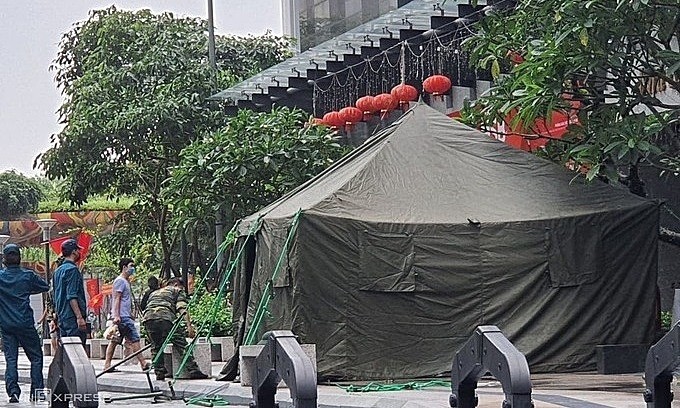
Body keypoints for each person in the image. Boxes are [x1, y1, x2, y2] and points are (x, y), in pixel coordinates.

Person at [0, 244, 50, 403]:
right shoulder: (28, 276)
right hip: (25, 323)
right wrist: (27, 290)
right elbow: (45, 286)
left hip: (6, 325)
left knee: (11, 359)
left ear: (4, 260)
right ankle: (36, 391)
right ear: (20, 258)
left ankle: (13, 392)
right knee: (36, 357)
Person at [143, 278, 208, 380]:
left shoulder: (155, 293)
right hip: (165, 318)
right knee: (181, 343)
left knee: (156, 346)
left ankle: (159, 372)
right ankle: (193, 370)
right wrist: (189, 326)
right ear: (176, 284)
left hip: (148, 319)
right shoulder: (177, 290)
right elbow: (182, 308)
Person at [103, 258, 150, 372]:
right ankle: (143, 363)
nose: (133, 268)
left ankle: (107, 365)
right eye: (131, 266)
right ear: (124, 267)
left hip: (124, 316)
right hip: (122, 317)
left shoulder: (126, 281)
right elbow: (117, 298)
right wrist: (117, 315)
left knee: (115, 340)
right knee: (134, 338)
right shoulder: (120, 281)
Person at [53, 239, 88, 347]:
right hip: (72, 317)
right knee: (76, 350)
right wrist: (79, 317)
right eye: (78, 250)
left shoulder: (57, 271)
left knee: (66, 350)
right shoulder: (72, 270)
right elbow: (72, 295)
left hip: (62, 316)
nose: (79, 253)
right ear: (74, 252)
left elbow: (55, 296)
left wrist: (55, 318)